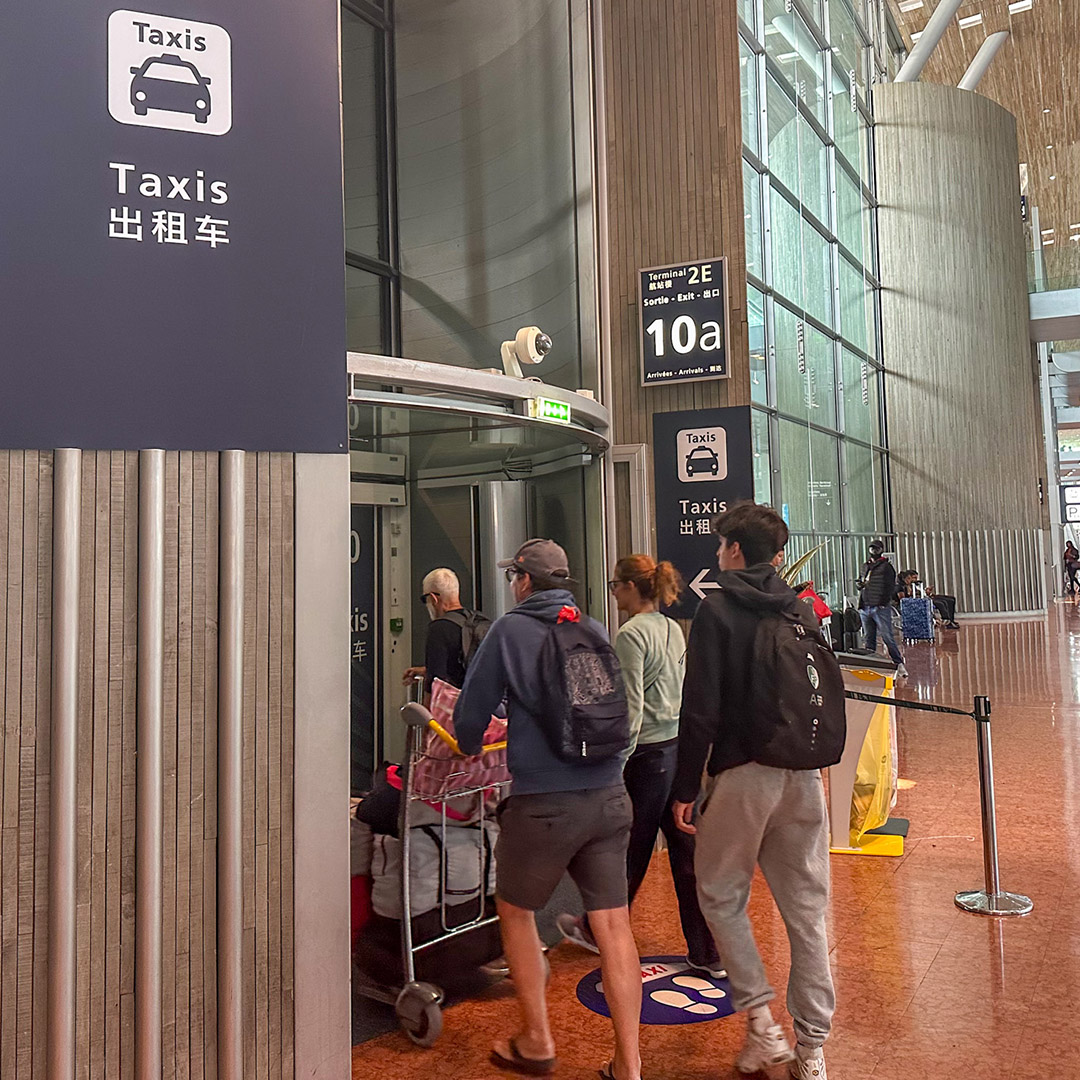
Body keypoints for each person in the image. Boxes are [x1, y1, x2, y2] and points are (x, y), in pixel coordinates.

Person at [454, 539, 642, 1080]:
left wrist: (472, 742)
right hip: (610, 796)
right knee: (614, 928)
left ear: (523, 581)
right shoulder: (594, 627)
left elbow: (470, 719)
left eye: (514, 575)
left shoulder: (509, 630)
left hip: (545, 805)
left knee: (515, 912)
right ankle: (629, 1066)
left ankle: (537, 1040)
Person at [672, 502, 836, 1080]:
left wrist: (686, 783)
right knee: (808, 911)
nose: (718, 555)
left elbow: (701, 710)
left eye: (721, 546)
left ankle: (764, 1028)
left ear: (735, 551)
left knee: (720, 894)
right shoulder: (799, 609)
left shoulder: (717, 610)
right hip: (804, 777)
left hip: (744, 776)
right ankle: (812, 1050)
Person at [557, 555, 723, 979]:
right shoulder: (670, 628)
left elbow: (630, 707)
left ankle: (597, 930)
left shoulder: (630, 635)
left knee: (628, 850)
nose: (613, 592)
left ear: (633, 587)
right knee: (686, 857)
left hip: (646, 757)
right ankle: (709, 952)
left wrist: (615, 762)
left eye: (616, 584)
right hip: (675, 751)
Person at [402, 567, 489, 700]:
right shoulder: (477, 620)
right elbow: (464, 667)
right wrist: (426, 670)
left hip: (457, 712)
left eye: (425, 599)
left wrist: (427, 719)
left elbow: (435, 685)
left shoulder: (439, 628)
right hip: (485, 707)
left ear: (433, 598)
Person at [858, 540, 906, 676]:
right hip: (865, 605)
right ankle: (870, 665)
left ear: (881, 550)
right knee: (869, 638)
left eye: (876, 549)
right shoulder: (865, 566)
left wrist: (883, 602)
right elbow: (861, 581)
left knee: (887, 637)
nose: (873, 551)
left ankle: (899, 663)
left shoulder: (886, 567)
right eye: (872, 548)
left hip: (879, 607)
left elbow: (891, 587)